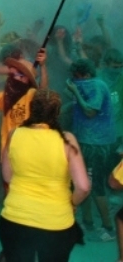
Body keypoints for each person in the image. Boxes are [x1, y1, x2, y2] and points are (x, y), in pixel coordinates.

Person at [0, 89, 90, 261]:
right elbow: (83, 187)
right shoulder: (67, 140)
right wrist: (71, 203)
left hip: (15, 219)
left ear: (31, 109)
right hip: (55, 224)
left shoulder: (15, 134)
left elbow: (7, 177)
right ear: (57, 112)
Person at [66, 58, 117, 240]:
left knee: (96, 186)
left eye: (77, 78)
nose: (75, 81)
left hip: (97, 144)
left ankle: (109, 228)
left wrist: (75, 91)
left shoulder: (96, 86)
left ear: (86, 75)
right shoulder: (84, 85)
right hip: (85, 142)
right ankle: (88, 223)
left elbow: (90, 111)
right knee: (82, 183)